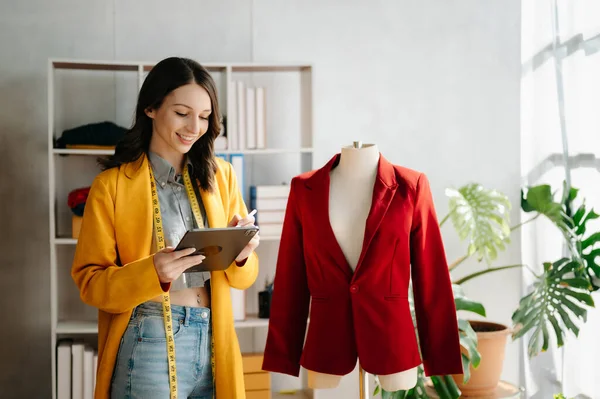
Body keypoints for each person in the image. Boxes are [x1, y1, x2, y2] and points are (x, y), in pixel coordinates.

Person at [71, 57, 260, 399]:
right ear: (151, 108)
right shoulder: (112, 186)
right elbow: (90, 283)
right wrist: (151, 272)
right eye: (182, 113)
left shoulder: (222, 177)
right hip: (149, 339)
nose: (194, 127)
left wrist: (244, 255)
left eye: (204, 117)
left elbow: (243, 279)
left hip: (214, 340)